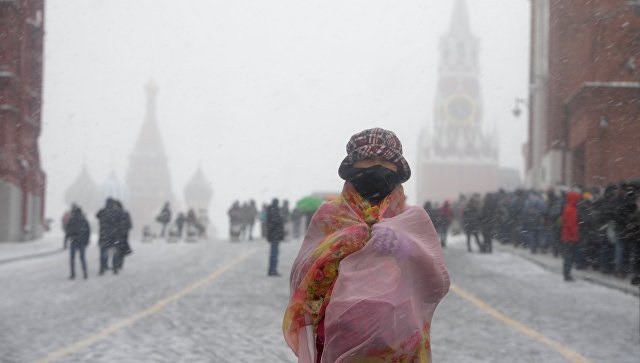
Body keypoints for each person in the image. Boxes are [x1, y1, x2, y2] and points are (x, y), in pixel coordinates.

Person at [283, 128, 450, 363]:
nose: (376, 166)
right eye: (368, 160)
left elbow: (437, 284)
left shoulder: (412, 219)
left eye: (385, 161)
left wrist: (405, 249)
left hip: (398, 345)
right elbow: (302, 276)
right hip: (334, 339)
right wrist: (340, 247)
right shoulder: (329, 216)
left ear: (398, 170)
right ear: (352, 167)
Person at [561, 191, 581, 281]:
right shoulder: (572, 209)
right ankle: (567, 275)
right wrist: (575, 236)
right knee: (569, 256)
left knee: (567, 256)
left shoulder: (567, 207)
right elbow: (573, 224)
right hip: (570, 237)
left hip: (566, 235)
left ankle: (566, 273)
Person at [66, 206, 90, 280]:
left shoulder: (72, 220)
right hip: (82, 241)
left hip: (74, 240)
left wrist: (69, 237)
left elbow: (68, 230)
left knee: (72, 259)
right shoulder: (84, 220)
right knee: (82, 258)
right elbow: (88, 231)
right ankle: (85, 272)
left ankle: (73, 274)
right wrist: (86, 240)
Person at [96, 198, 119, 275]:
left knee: (103, 253)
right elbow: (120, 220)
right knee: (115, 253)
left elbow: (97, 215)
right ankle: (115, 268)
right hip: (114, 236)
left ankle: (102, 268)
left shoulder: (102, 211)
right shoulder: (116, 212)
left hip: (104, 235)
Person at [266, 198, 285, 276]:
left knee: (273, 254)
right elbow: (276, 224)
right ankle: (273, 270)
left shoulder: (270, 211)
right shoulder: (276, 211)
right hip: (275, 235)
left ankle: (271, 269)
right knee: (274, 254)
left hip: (273, 235)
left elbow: (269, 224)